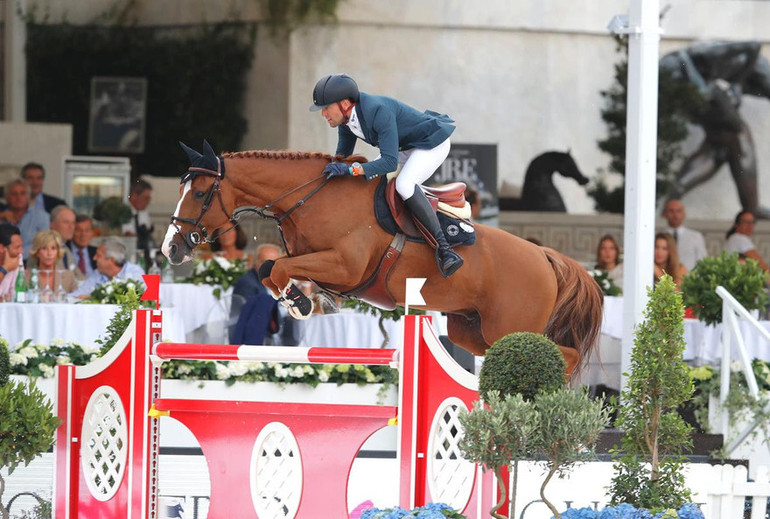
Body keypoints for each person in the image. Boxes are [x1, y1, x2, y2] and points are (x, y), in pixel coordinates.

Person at [310, 73, 463, 277]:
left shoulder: (377, 111)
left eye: (326, 108)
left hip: (430, 143)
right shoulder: (346, 122)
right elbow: (341, 158)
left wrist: (350, 170)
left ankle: (445, 250)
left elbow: (389, 163)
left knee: (404, 185)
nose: (323, 114)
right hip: (404, 147)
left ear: (344, 103)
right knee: (369, 181)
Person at [660, 41, 770, 218]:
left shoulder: (742, 77)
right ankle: (751, 208)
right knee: (734, 128)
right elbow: (754, 46)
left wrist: (735, 86)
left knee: (721, 142)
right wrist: (734, 83)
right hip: (680, 71)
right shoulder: (719, 56)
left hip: (715, 128)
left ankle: (675, 194)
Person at [70, 239, 146, 298]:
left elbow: (135, 297)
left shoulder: (134, 272)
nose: (94, 258)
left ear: (112, 260)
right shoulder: (98, 273)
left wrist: (94, 298)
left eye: (98, 256)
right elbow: (79, 293)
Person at [0, 179, 49, 258]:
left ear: (28, 197)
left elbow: (44, 243)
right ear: (7, 198)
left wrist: (17, 254)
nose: (18, 197)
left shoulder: (41, 216)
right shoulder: (3, 216)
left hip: (32, 262)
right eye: (14, 194)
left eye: (22, 193)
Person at [25, 230, 78, 296]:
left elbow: (77, 300)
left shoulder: (68, 276)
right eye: (44, 248)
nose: (49, 253)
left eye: (53, 248)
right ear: (37, 252)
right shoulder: (25, 276)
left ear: (58, 252)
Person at [662, 199, 708, 271]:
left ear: (684, 214)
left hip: (688, 279)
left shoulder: (696, 237)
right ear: (665, 214)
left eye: (678, 211)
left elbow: (702, 261)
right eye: (671, 211)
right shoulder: (658, 236)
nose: (675, 215)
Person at [121, 179, 155, 253]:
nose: (148, 202)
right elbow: (127, 235)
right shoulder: (123, 212)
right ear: (134, 196)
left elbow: (147, 233)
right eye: (146, 198)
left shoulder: (143, 212)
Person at [49, 205, 78, 275]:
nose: (71, 227)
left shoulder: (66, 249)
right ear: (52, 225)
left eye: (73, 223)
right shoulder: (46, 249)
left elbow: (79, 277)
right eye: (66, 222)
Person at [68, 214, 98, 279]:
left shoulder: (98, 252)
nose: (83, 234)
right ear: (72, 231)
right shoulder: (64, 251)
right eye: (78, 230)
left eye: (87, 230)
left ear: (92, 233)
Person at [0, 224, 23, 301]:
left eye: (21, 246)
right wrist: (5, 269)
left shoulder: (17, 257)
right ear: (1, 248)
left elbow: (17, 295)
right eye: (17, 247)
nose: (21, 251)